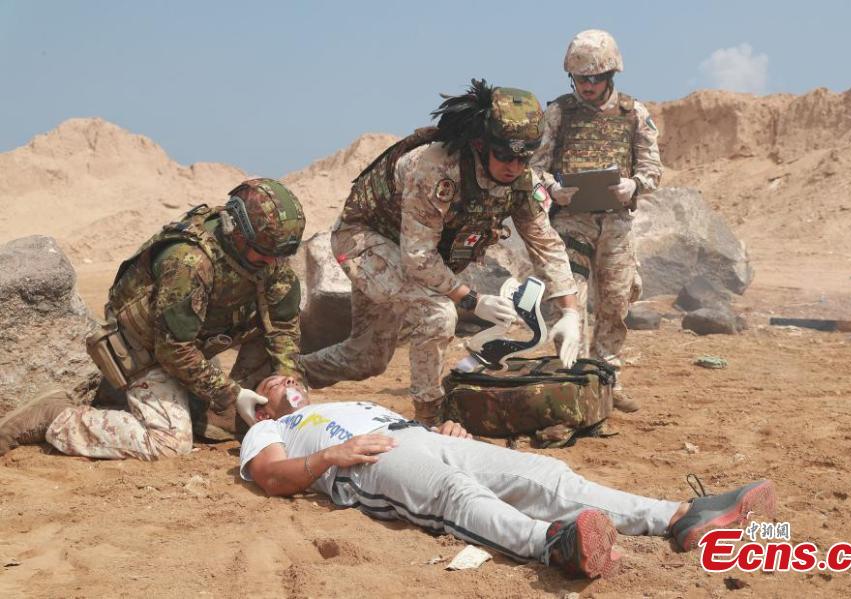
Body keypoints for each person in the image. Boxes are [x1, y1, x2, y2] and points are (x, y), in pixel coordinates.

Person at [240, 374, 777, 579]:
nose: (286, 381)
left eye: (290, 375)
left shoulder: (349, 398)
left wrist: (441, 427)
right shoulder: (269, 429)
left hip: (416, 436)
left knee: (545, 473)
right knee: (453, 495)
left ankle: (681, 517)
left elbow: (409, 427)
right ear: (261, 407)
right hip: (363, 462)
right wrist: (333, 456)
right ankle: (553, 546)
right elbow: (268, 475)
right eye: (272, 381)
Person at [298, 80, 581, 426]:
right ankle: (430, 418)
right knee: (437, 313)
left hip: (411, 254)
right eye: (505, 155)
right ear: (481, 144)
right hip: (363, 240)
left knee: (366, 358)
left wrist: (569, 312)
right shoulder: (436, 169)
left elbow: (546, 243)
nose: (514, 167)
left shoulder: (522, 182)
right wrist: (472, 300)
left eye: (524, 157)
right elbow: (418, 256)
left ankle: (288, 372)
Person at [0, 179, 307, 460]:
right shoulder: (189, 263)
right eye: (263, 254)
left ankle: (217, 415)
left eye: (279, 255)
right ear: (235, 231)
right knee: (169, 444)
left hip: (194, 341)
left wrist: (288, 377)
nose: (271, 263)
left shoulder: (267, 255)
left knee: (265, 377)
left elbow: (282, 327)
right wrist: (231, 393)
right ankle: (58, 417)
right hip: (146, 351)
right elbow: (174, 349)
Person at [531, 30, 663, 413]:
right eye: (580, 79)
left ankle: (607, 378)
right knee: (567, 301)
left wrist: (634, 184)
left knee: (616, 302)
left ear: (611, 75)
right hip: (571, 222)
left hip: (617, 223)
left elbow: (653, 168)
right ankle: (572, 380)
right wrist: (552, 187)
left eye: (595, 78)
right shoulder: (557, 113)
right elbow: (534, 168)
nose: (587, 86)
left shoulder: (633, 113)